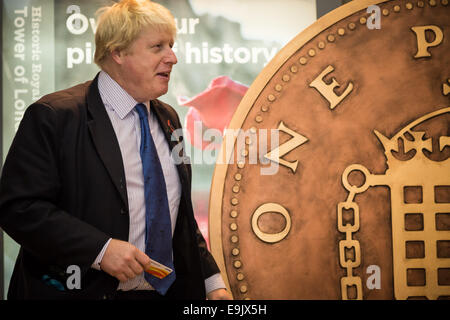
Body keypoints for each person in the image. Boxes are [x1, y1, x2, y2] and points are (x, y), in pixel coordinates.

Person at [0, 0, 231, 300]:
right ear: (118, 52)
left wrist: (213, 285)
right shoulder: (54, 116)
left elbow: (179, 217)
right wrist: (100, 249)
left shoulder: (169, 119)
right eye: (158, 46)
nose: (172, 57)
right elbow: (19, 208)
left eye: (171, 45)